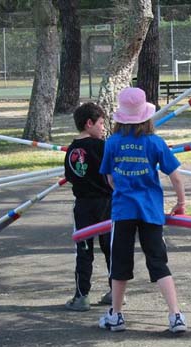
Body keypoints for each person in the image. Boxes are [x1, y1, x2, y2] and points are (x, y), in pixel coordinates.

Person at [99, 87, 187, 333]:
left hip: (123, 211)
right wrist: (180, 204)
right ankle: (175, 315)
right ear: (146, 116)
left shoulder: (112, 142)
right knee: (159, 263)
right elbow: (177, 178)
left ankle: (116, 316)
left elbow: (110, 179)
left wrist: (124, 185)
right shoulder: (155, 143)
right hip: (151, 212)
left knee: (120, 265)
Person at [64, 102, 115, 311]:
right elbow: (113, 173)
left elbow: (70, 176)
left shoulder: (71, 150)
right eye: (101, 123)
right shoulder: (104, 147)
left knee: (83, 250)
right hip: (107, 204)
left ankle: (81, 295)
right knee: (111, 248)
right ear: (88, 123)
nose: (103, 128)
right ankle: (116, 292)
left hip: (83, 206)